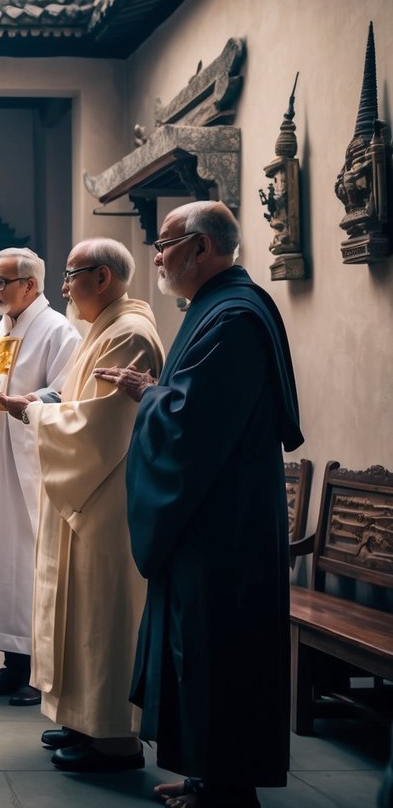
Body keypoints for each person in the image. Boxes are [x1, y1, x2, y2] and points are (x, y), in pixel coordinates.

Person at [96, 201, 302, 808]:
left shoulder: (234, 315)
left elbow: (194, 421)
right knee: (200, 650)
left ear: (202, 248)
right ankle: (206, 774)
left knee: (221, 654)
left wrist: (148, 393)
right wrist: (158, 394)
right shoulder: (215, 306)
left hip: (225, 524)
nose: (156, 255)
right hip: (213, 513)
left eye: (164, 243)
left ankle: (228, 788)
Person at [0, 239, 164, 772]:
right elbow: (74, 398)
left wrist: (35, 416)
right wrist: (42, 404)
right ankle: (81, 720)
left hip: (105, 501)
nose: (63, 286)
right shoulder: (106, 329)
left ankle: (114, 740)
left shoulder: (131, 334)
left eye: (71, 275)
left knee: (101, 618)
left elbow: (102, 424)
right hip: (86, 496)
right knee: (78, 614)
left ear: (103, 278)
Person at [0, 248, 80, 704]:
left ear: (31, 284)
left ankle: (38, 670)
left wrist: (22, 401)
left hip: (29, 466)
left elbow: (66, 394)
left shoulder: (58, 331)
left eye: (1, 281)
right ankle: (11, 662)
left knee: (29, 564)